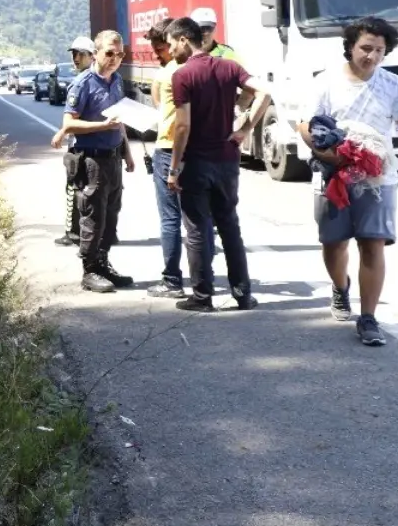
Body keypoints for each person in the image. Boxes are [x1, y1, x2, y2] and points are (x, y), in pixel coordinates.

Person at [297, 16, 398, 346]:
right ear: (351, 47)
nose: (371, 56)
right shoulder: (326, 82)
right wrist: (331, 157)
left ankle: (368, 318)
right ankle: (340, 289)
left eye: (379, 50)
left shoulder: (392, 85)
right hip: (332, 174)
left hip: (378, 178)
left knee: (373, 244)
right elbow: (303, 125)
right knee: (334, 243)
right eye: (365, 48)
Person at [165, 17, 271, 311]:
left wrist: (174, 169)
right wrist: (245, 129)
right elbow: (263, 91)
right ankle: (242, 294)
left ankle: (202, 296)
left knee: (198, 230)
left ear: (184, 40)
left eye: (172, 43)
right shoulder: (229, 67)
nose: (171, 50)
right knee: (229, 227)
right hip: (226, 161)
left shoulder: (183, 75)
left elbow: (183, 127)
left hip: (196, 163)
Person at [51, 31, 136, 293]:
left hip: (113, 159)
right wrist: (102, 125)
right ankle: (89, 272)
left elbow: (118, 120)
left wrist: (127, 152)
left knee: (111, 217)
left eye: (119, 54)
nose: (114, 59)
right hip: (91, 161)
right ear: (96, 53)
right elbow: (69, 124)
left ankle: (103, 264)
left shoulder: (117, 81)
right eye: (109, 53)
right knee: (93, 217)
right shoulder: (83, 84)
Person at [146, 18, 214, 299]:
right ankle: (203, 279)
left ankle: (172, 279)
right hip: (200, 150)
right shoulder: (206, 69)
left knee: (170, 218)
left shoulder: (166, 75)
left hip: (168, 148)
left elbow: (161, 110)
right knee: (200, 218)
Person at [55, 36, 96, 248]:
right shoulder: (98, 79)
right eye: (73, 54)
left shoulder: (82, 83)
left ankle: (73, 233)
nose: (75, 58)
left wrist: (62, 131)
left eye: (80, 54)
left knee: (75, 189)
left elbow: (71, 120)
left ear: (92, 56)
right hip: (90, 146)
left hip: (81, 146)